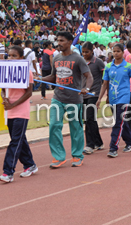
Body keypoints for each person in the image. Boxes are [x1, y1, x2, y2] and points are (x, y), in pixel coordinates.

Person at [40, 31, 93, 168]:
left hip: (74, 99)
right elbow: (53, 77)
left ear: (70, 42)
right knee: (54, 126)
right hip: (58, 98)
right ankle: (59, 157)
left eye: (62, 40)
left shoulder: (78, 59)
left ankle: (77, 156)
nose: (59, 43)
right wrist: (40, 79)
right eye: (58, 40)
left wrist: (86, 89)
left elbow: (89, 76)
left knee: (75, 128)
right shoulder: (56, 58)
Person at [0, 46, 37, 183]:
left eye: (14, 56)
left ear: (21, 57)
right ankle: (30, 165)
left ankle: (8, 172)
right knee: (20, 139)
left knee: (15, 141)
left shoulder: (27, 71)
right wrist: (4, 98)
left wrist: (13, 105)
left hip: (21, 111)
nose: (11, 58)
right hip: (9, 111)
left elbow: (29, 92)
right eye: (9, 55)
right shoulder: (6, 71)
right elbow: (3, 90)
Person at [96, 44, 131, 158]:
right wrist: (100, 98)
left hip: (124, 97)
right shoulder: (108, 67)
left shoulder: (129, 67)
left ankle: (113, 148)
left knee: (117, 123)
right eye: (114, 51)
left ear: (123, 52)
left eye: (118, 51)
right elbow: (105, 84)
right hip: (113, 98)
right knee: (121, 122)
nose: (116, 53)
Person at [81, 42, 106, 155]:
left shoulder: (98, 62)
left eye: (87, 51)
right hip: (83, 94)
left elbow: (105, 78)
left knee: (89, 118)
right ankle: (99, 142)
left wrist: (103, 94)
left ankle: (89, 145)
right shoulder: (81, 62)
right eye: (83, 52)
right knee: (89, 119)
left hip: (94, 94)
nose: (85, 54)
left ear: (92, 51)